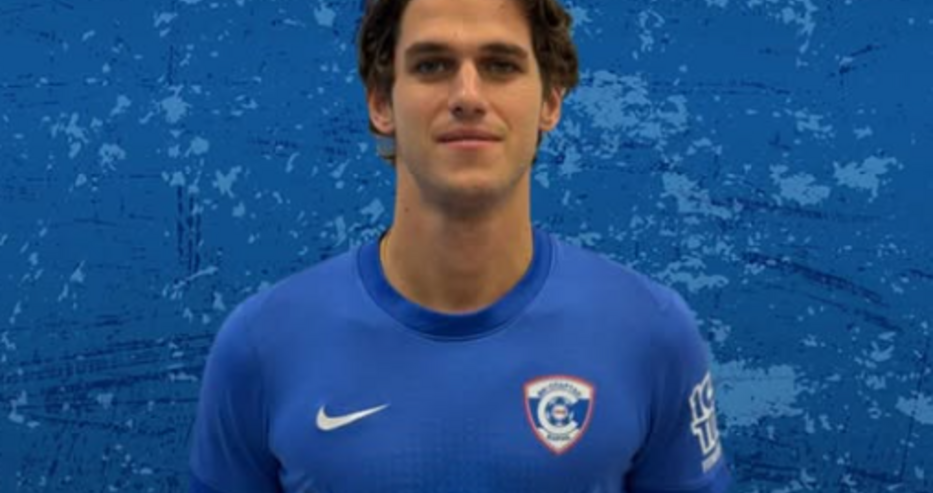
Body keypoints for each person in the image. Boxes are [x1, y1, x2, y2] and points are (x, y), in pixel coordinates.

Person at [188, 0, 732, 491]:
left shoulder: (651, 333)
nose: (468, 96)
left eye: (500, 65)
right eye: (432, 65)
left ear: (550, 100)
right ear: (380, 102)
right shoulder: (261, 346)